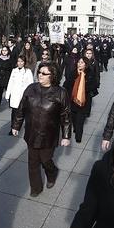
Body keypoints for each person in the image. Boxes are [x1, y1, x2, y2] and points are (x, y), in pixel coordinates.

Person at [12, 62, 71, 196]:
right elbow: (21, 109)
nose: (40, 75)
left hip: (48, 135)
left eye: (44, 73)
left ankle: (52, 172)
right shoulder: (30, 89)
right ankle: (36, 188)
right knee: (32, 162)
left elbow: (66, 116)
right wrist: (16, 126)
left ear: (53, 76)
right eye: (39, 72)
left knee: (45, 160)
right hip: (32, 133)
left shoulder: (61, 93)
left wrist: (66, 136)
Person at [64, 57, 98, 143]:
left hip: (84, 101)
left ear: (86, 64)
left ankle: (78, 137)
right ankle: (76, 128)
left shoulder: (90, 73)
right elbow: (66, 84)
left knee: (80, 119)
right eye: (79, 62)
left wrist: (82, 87)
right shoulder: (73, 72)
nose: (80, 64)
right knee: (74, 118)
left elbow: (94, 85)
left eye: (82, 62)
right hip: (73, 100)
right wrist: (75, 78)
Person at [5, 55, 33, 134]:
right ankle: (13, 128)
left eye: (22, 61)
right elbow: (10, 83)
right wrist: (8, 94)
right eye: (18, 61)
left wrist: (29, 96)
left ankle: (20, 126)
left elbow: (30, 85)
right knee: (14, 113)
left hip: (23, 95)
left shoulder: (28, 71)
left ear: (24, 62)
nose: (20, 63)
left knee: (22, 112)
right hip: (14, 95)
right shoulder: (14, 70)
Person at [0, 46, 14, 112]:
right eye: (3, 50)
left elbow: (12, 69)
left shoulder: (10, 59)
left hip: (7, 78)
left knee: (9, 92)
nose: (4, 52)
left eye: (5, 50)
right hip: (0, 79)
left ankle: (11, 104)